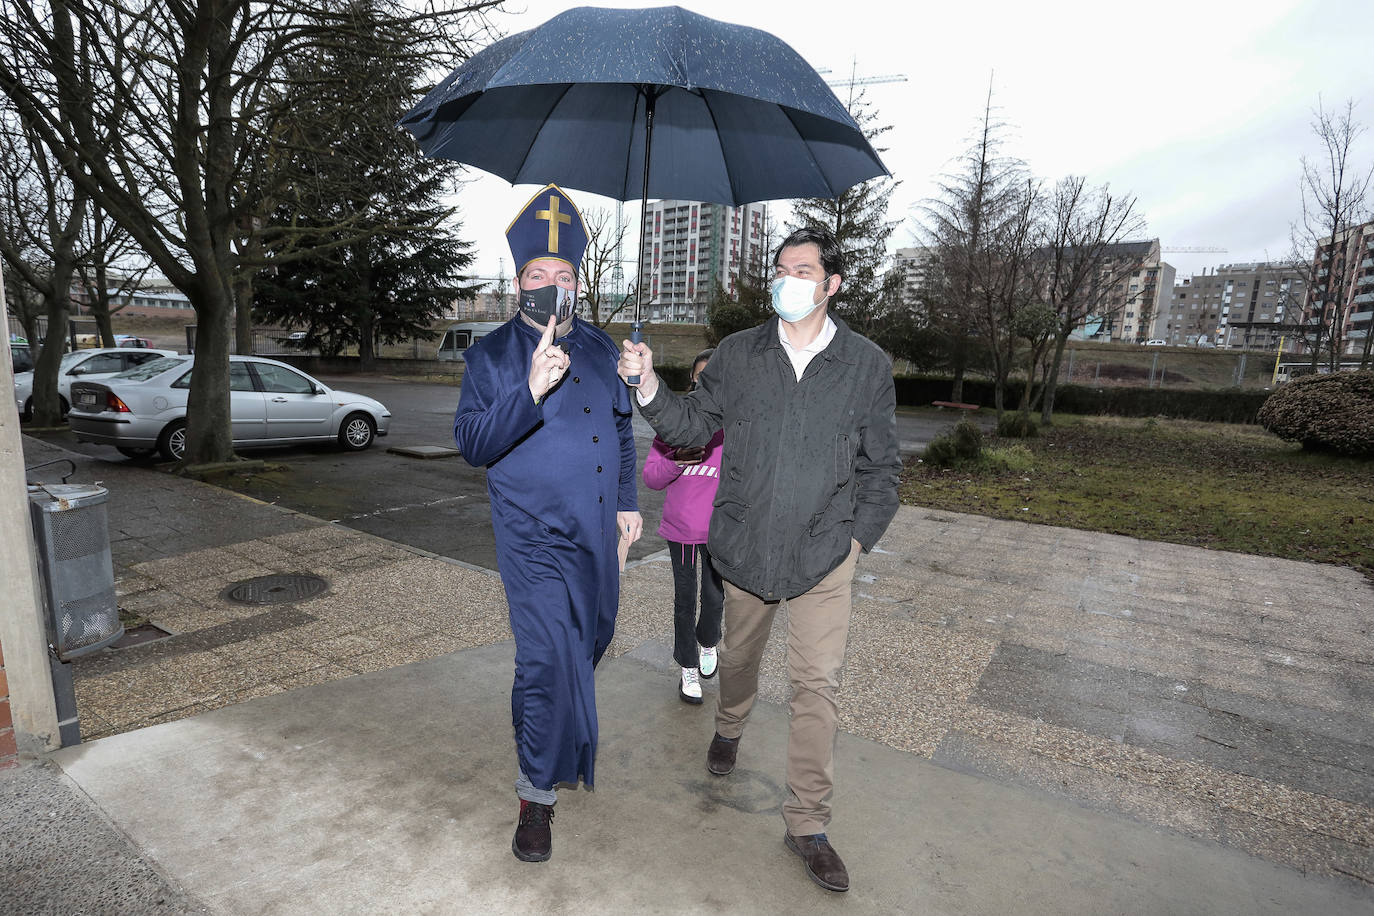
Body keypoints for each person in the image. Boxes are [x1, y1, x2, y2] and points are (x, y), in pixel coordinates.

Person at [617, 226, 900, 894]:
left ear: (832, 284)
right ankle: (731, 723)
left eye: (802, 270)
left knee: (817, 688)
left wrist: (858, 539)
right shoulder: (740, 356)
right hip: (744, 549)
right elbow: (689, 429)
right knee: (738, 661)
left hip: (825, 555)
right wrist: (650, 384)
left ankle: (807, 824)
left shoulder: (866, 366)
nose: (787, 280)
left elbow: (882, 467)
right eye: (780, 268)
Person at [453, 184, 643, 864]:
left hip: (596, 532)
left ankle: (538, 717)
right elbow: (473, 443)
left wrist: (627, 503)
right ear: (518, 282)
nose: (553, 285)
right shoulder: (489, 357)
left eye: (565, 276)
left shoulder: (600, 349)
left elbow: (622, 435)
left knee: (581, 648)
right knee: (545, 658)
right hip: (531, 537)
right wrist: (528, 390)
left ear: (578, 283)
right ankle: (537, 796)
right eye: (540, 275)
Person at [641, 349, 725, 705]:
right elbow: (651, 478)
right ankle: (687, 666)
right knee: (685, 601)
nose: (704, 382)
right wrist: (676, 460)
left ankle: (708, 641)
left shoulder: (732, 427)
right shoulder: (675, 425)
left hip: (720, 534)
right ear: (692, 379)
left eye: (713, 376)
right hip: (683, 533)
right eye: (699, 375)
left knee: (715, 599)